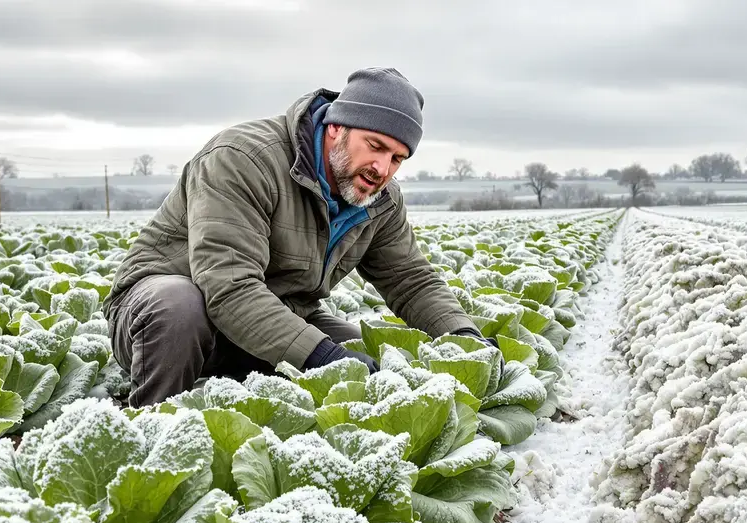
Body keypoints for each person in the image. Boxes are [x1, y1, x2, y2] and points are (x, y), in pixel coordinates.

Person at [105, 67, 495, 407]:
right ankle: (154, 424)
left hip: (269, 322)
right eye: (375, 146)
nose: (382, 168)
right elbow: (228, 287)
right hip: (169, 316)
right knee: (180, 305)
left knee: (374, 357)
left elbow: (411, 280)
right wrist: (321, 357)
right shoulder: (243, 158)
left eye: (397, 158)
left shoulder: (380, 200)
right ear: (337, 127)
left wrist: (464, 338)